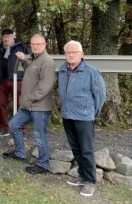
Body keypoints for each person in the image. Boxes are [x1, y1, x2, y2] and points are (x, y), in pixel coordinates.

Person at [58, 40, 106, 197]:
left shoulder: (91, 71)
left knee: (87, 150)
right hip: (67, 116)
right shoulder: (63, 70)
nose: (71, 55)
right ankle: (82, 175)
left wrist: (92, 113)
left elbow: (100, 96)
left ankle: (90, 181)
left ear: (81, 54)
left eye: (74, 52)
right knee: (76, 148)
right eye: (68, 52)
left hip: (84, 118)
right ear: (65, 55)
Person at [2, 34, 55, 175]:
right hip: (28, 106)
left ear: (45, 44)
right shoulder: (35, 59)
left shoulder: (47, 61)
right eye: (33, 44)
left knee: (39, 135)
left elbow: (45, 86)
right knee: (13, 125)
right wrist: (24, 61)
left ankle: (43, 165)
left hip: (39, 107)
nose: (36, 46)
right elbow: (31, 72)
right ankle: (20, 153)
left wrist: (31, 98)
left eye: (38, 44)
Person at [0, 28, 29, 137]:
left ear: (13, 36)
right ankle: (4, 128)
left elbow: (28, 63)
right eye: (4, 37)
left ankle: (21, 129)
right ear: (2, 38)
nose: (6, 39)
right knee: (1, 105)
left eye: (9, 36)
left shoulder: (21, 47)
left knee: (19, 104)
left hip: (17, 79)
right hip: (1, 81)